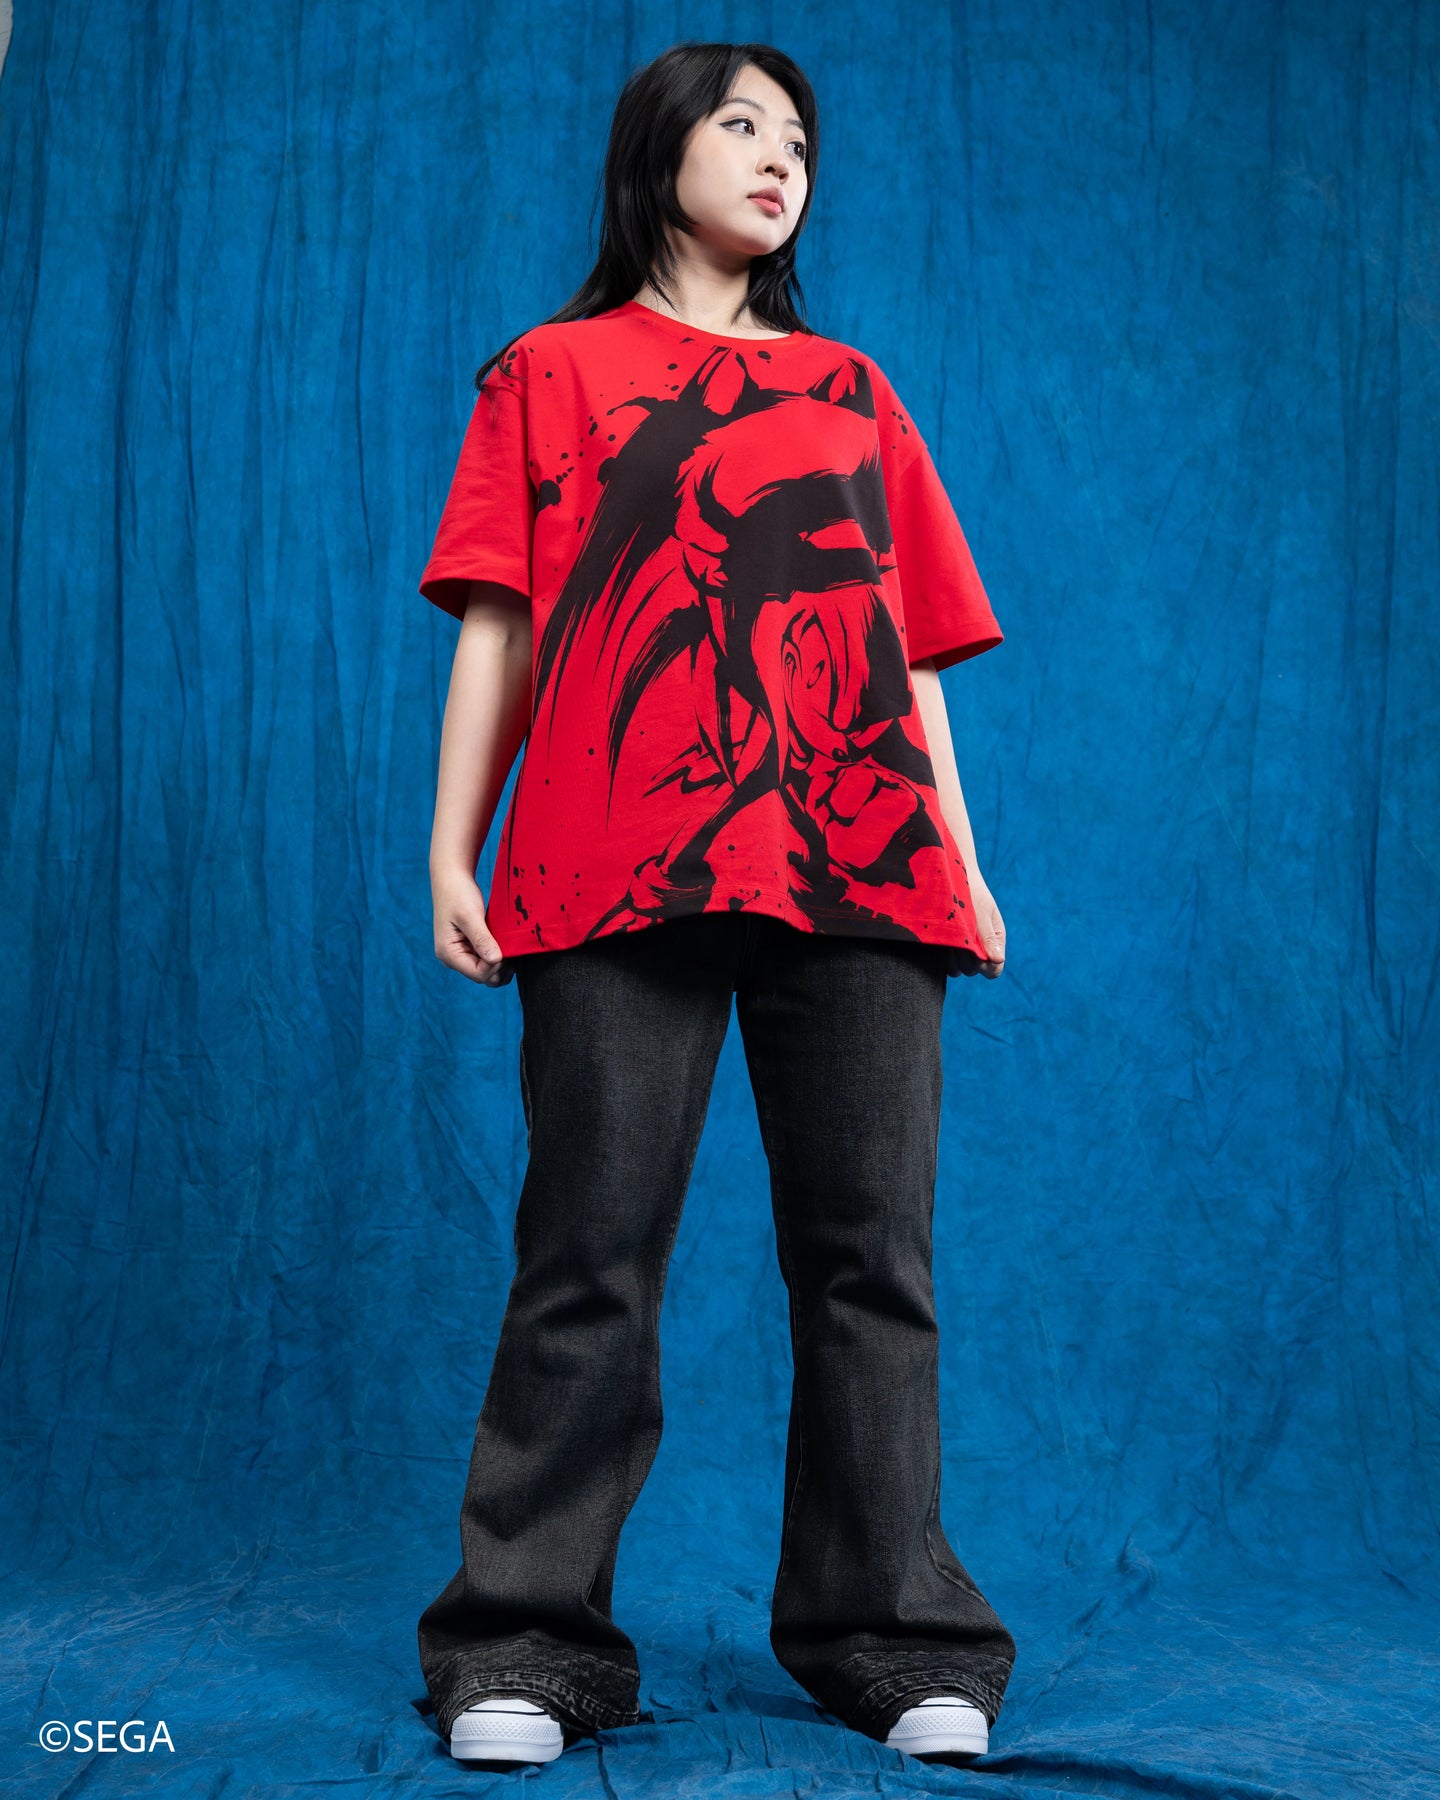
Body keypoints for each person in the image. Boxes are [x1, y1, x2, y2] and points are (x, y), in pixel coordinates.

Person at [414, 39, 1018, 1771]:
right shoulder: (549, 371)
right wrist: (452, 848)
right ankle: (523, 1639)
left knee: (871, 1261)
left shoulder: (851, 390)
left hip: (861, 860)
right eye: (742, 125)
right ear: (656, 152)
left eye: (800, 141)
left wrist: (964, 857)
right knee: (588, 1250)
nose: (779, 159)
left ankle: (895, 1638)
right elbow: (503, 617)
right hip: (612, 854)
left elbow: (907, 647)